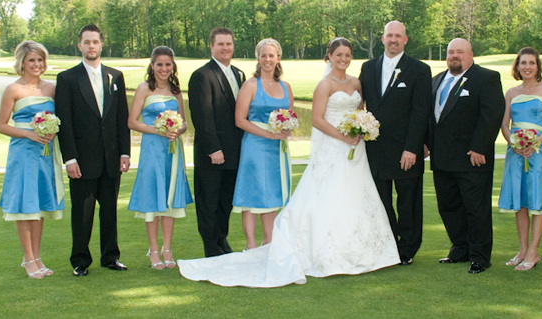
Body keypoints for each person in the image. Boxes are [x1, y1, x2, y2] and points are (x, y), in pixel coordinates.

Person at [179, 37, 399, 287]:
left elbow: (355, 111)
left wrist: (360, 129)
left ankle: (351, 248)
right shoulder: (310, 84)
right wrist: (340, 136)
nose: (344, 59)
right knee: (262, 195)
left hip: (331, 148)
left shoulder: (350, 82)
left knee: (300, 194)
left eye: (347, 55)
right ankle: (253, 244)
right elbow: (312, 120)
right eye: (339, 54)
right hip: (287, 145)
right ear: (329, 56)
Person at [56, 24, 131, 276]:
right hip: (83, 159)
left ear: (101, 45)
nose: (91, 46)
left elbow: (122, 118)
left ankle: (111, 257)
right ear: (79, 45)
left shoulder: (116, 76)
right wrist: (70, 158)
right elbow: (63, 122)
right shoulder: (67, 79)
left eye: (95, 42)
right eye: (86, 42)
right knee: (82, 214)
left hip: (111, 158)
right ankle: (80, 261)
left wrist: (125, 152)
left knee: (110, 212)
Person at [428, 38, 504, 274]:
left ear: (471, 54)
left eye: (460, 52)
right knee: (448, 207)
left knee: (476, 209)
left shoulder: (486, 78)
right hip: (441, 158)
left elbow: (491, 115)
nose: (455, 56)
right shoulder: (437, 80)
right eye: (451, 52)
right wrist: (425, 144)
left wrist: (480, 147)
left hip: (472, 157)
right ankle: (459, 249)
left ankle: (480, 257)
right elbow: (431, 118)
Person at [358, 20, 431, 265]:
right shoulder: (368, 68)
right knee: (380, 201)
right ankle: (387, 245)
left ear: (405, 40)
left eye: (398, 36)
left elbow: (421, 112)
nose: (393, 40)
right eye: (389, 35)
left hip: (405, 150)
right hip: (376, 149)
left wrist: (412, 148)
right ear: (382, 38)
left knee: (408, 202)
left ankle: (407, 248)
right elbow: (360, 106)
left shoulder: (419, 70)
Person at [0, 40, 65, 279]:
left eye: (40, 60)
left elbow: (62, 116)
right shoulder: (13, 89)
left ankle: (37, 257)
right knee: (25, 206)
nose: (37, 64)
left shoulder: (51, 88)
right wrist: (29, 133)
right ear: (22, 63)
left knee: (38, 206)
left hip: (45, 153)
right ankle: (28, 259)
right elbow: (1, 126)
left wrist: (53, 130)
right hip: (23, 152)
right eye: (32, 60)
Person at [127, 46, 192, 269]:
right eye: (159, 64)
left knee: (170, 196)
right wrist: (158, 130)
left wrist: (178, 130)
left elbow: (184, 122)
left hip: (173, 150)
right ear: (152, 65)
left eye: (168, 64)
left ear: (173, 66)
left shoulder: (176, 91)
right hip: (152, 149)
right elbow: (132, 122)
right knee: (153, 197)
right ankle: (153, 249)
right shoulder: (144, 89)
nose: (164, 68)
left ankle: (167, 248)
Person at [497, 47, 542, 271]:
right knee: (521, 202)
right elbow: (505, 124)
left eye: (531, 63)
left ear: (538, 66)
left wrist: (536, 142)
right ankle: (523, 249)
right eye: (523, 63)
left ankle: (534, 252)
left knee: (537, 201)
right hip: (516, 152)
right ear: (517, 66)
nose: (527, 67)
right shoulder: (511, 93)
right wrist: (513, 143)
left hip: (540, 151)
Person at [231, 38, 294, 250]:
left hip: (278, 149)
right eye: (263, 55)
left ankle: (269, 241)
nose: (268, 59)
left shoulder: (285, 86)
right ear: (258, 58)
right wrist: (269, 135)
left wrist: (286, 129)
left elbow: (289, 116)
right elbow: (240, 120)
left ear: (278, 58)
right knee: (253, 191)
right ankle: (250, 244)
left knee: (273, 193)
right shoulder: (250, 85)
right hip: (255, 147)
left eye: (271, 55)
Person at [188, 27, 246, 257]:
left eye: (228, 44)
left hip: (236, 151)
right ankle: (211, 248)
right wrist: (214, 149)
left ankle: (222, 241)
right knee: (209, 202)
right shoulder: (202, 76)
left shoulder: (239, 74)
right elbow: (202, 117)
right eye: (220, 44)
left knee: (226, 202)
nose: (225, 48)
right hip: (213, 153)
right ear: (211, 46)